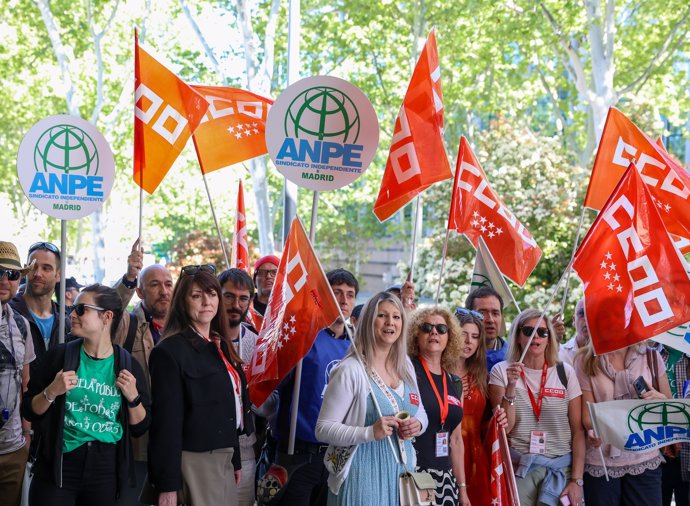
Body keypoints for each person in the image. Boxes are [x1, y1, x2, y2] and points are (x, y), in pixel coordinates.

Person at [22, 284, 150, 506]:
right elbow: (29, 410)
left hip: (106, 468)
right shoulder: (60, 356)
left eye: (81, 309)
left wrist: (133, 398)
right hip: (59, 465)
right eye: (74, 308)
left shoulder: (127, 365)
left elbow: (140, 427)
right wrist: (52, 391)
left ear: (106, 317)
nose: (72, 314)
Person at [148, 265, 252, 506]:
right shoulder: (169, 351)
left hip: (224, 457)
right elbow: (166, 424)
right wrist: (168, 486)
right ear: (183, 302)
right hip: (195, 460)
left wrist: (234, 458)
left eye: (212, 293)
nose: (206, 301)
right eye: (196, 295)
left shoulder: (220, 345)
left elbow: (229, 407)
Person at [316, 291, 428, 505]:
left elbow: (419, 410)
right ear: (369, 321)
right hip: (362, 475)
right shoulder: (351, 369)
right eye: (382, 315)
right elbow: (323, 428)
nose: (390, 323)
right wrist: (369, 432)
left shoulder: (405, 365)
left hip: (402, 475)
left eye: (396, 317)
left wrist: (418, 425)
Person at [267, 268, 359, 506]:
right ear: (323, 297)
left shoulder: (356, 347)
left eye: (350, 295)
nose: (343, 300)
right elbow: (273, 385)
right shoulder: (302, 338)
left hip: (335, 456)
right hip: (297, 453)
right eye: (336, 292)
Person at [489, 308, 584, 506]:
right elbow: (505, 429)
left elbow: (578, 432)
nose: (536, 337)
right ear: (517, 336)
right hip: (520, 471)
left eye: (542, 332)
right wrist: (511, 387)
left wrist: (576, 480)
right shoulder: (502, 371)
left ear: (549, 339)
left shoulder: (565, 373)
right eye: (528, 331)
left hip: (561, 471)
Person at [576, 342, 670, 506]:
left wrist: (659, 399)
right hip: (602, 461)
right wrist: (594, 430)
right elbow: (587, 417)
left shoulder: (650, 356)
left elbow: (669, 407)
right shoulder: (585, 359)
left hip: (644, 455)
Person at [112, 262, 173, 505]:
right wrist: (128, 278)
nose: (164, 291)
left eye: (168, 284)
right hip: (136, 444)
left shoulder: (183, 329)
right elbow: (109, 310)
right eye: (155, 285)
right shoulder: (127, 324)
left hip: (171, 444)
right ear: (140, 291)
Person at [408, 306, 468, 505]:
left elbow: (457, 441)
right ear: (416, 335)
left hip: (446, 479)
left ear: (449, 337)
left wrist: (462, 489)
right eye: (427, 327)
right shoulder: (405, 371)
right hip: (413, 475)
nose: (434, 332)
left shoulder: (455, 382)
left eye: (441, 329)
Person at [218, 267, 260, 506]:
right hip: (207, 451)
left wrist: (255, 395)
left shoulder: (256, 344)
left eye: (243, 298)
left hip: (244, 452)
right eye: (229, 296)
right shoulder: (202, 340)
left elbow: (269, 404)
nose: (236, 304)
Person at [0, 241, 36, 506]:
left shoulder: (22, 324)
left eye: (12, 274)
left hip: (13, 448)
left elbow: (26, 383)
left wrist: (26, 435)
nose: (5, 279)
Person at [10, 242, 71, 375]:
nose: (38, 273)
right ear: (26, 270)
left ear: (58, 275)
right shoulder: (8, 312)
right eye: (33, 267)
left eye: (46, 268)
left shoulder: (66, 318)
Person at [453, 307, 493, 506]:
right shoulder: (437, 373)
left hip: (476, 459)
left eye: (475, 336)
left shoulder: (482, 377)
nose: (469, 342)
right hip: (446, 455)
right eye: (463, 335)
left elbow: (487, 422)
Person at [558, 300, 589, 367]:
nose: (587, 318)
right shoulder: (559, 354)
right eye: (582, 313)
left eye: (593, 313)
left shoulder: (611, 354)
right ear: (574, 320)